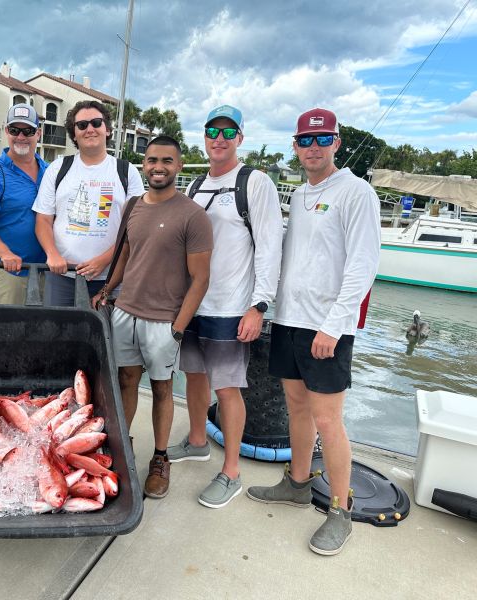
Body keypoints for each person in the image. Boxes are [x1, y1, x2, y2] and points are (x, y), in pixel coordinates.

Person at [246, 108, 380, 556]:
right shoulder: (300, 196)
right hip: (289, 321)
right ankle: (298, 483)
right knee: (296, 409)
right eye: (305, 140)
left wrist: (335, 326)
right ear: (296, 145)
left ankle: (340, 511)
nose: (313, 148)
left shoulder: (356, 192)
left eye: (322, 141)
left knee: (328, 419)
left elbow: (363, 266)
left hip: (326, 327)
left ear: (337, 143)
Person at [167, 105, 283, 509]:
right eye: (212, 131)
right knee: (194, 377)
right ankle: (198, 440)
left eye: (228, 131)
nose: (219, 138)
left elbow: (270, 248)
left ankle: (231, 471)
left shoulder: (256, 183)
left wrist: (259, 306)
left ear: (240, 138)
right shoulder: (196, 183)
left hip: (232, 307)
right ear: (204, 137)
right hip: (194, 304)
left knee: (227, 387)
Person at [93, 136, 212, 499]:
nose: (158, 167)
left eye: (166, 161)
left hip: (164, 320)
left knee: (162, 390)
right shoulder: (133, 207)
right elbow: (126, 256)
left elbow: (201, 278)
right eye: (151, 160)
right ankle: (122, 447)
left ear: (178, 166)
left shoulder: (193, 215)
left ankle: (160, 459)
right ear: (143, 164)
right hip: (125, 311)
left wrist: (178, 330)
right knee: (125, 381)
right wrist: (107, 290)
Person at [34, 99, 144, 306]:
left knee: (106, 338)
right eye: (82, 125)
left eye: (96, 123)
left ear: (108, 130)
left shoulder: (127, 171)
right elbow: (43, 220)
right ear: (74, 134)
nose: (89, 129)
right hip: (62, 278)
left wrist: (104, 260)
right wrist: (52, 254)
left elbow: (135, 229)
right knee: (55, 336)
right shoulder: (58, 169)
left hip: (111, 279)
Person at [0, 104, 48, 304]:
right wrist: (5, 254)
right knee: (6, 334)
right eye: (15, 130)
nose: (21, 136)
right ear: (6, 131)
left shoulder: (50, 172)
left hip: (48, 273)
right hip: (8, 274)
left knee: (43, 333)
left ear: (38, 133)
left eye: (28, 130)